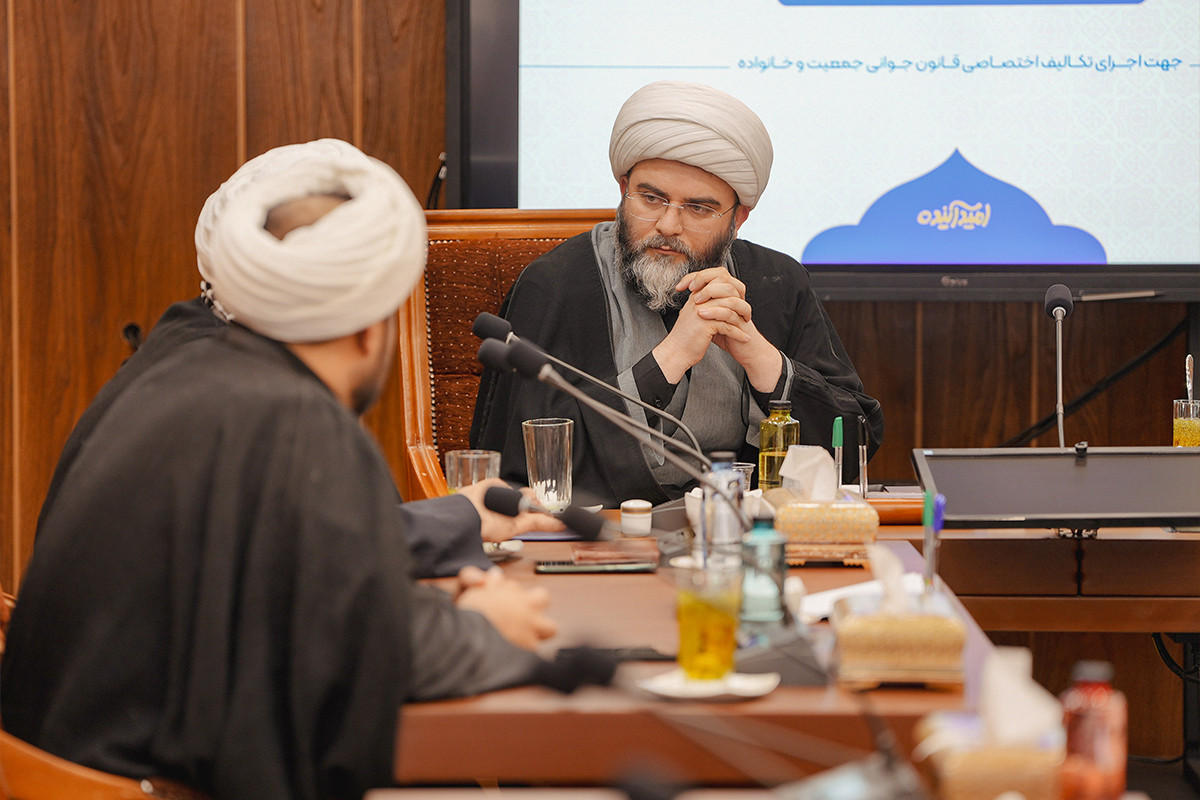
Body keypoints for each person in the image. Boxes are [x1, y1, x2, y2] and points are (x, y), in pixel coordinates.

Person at [1, 139, 559, 800]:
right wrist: (485, 628)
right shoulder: (294, 416)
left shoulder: (181, 362)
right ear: (370, 328)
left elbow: (302, 589)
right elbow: (353, 654)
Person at [35, 142, 562, 578]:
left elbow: (311, 545)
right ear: (365, 326)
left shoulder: (188, 354)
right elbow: (341, 611)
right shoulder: (280, 412)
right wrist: (486, 624)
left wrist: (458, 516)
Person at [471, 81, 884, 507]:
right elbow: (522, 465)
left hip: (747, 529)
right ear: (623, 190)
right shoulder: (557, 284)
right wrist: (670, 358)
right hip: (605, 532)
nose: (668, 225)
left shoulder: (777, 281)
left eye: (699, 208)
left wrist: (760, 358)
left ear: (738, 219)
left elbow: (852, 446)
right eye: (651, 199)